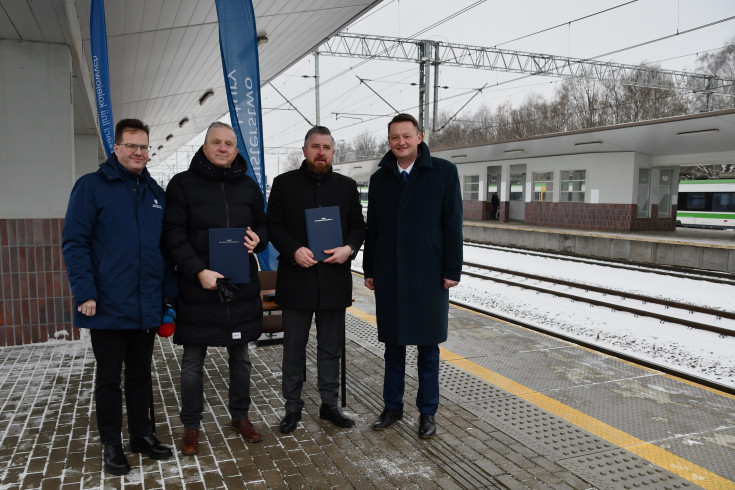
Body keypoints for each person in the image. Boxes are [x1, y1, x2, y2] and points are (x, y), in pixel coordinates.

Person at [62, 118, 178, 475]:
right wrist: (85, 292)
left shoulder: (155, 194)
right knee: (110, 377)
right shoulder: (91, 187)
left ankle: (141, 436)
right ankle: (111, 444)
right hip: (108, 303)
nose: (138, 153)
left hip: (146, 303)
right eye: (131, 146)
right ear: (116, 147)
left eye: (144, 147)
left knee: (142, 373)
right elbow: (74, 243)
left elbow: (165, 251)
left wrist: (167, 299)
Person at [163, 122, 269, 455]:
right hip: (199, 289)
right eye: (216, 142)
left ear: (236, 150)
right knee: (193, 360)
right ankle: (191, 426)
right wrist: (198, 271)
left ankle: (240, 417)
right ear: (205, 147)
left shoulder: (249, 186)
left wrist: (259, 239)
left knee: (241, 359)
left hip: (240, 286)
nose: (223, 148)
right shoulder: (182, 185)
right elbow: (173, 234)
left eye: (229, 143)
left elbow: (263, 225)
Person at [363, 113, 463, 439]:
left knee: (428, 349)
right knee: (393, 346)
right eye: (395, 138)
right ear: (389, 141)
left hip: (429, 276)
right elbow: (373, 229)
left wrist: (452, 269)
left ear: (419, 137)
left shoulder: (444, 173)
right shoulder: (380, 179)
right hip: (390, 275)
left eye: (406, 136)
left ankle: (427, 413)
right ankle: (392, 407)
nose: (401, 142)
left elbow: (452, 225)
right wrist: (369, 269)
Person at [267, 125, 366, 433]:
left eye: (326, 147)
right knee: (294, 347)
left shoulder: (347, 186)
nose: (320, 152)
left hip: (334, 280)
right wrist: (293, 249)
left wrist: (349, 249)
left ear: (333, 152)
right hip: (297, 279)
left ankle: (329, 404)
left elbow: (359, 226)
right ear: (305, 150)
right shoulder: (283, 184)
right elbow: (273, 225)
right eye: (315, 146)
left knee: (330, 347)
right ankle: (292, 407)